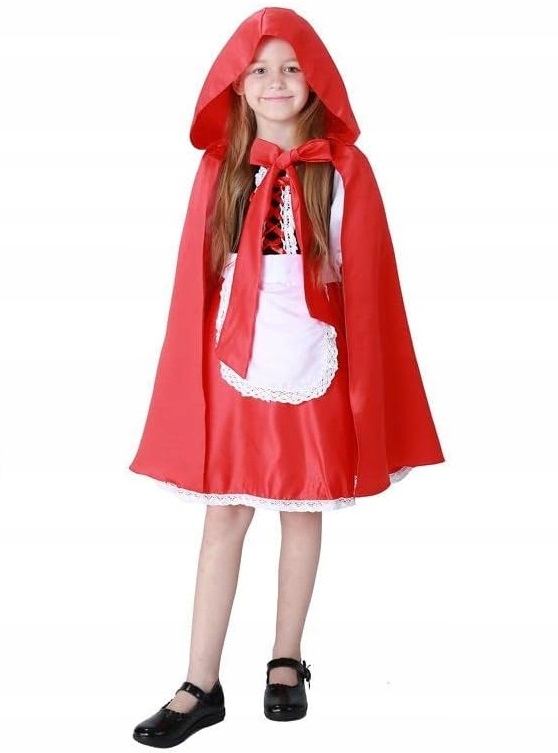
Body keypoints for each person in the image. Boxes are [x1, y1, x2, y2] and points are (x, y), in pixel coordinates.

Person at [131, 6, 445, 748]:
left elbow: (366, 281)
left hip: (316, 356)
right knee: (225, 513)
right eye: (260, 69)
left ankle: (285, 659)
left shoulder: (343, 170)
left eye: (292, 67)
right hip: (235, 357)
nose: (276, 81)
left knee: (302, 508)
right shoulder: (220, 169)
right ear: (238, 86)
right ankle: (199, 682)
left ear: (316, 80)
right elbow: (200, 277)